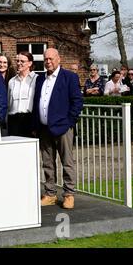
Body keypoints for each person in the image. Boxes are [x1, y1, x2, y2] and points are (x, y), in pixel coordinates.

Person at [33, 48, 83, 210]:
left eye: (51, 59)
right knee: (47, 163)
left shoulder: (69, 77)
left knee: (67, 162)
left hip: (63, 128)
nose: (48, 62)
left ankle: (69, 194)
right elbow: (37, 102)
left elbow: (77, 102)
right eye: (46, 59)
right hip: (44, 128)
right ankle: (50, 194)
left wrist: (69, 122)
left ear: (58, 59)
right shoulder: (40, 79)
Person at [7, 51, 37, 137]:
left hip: (29, 120)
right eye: (17, 61)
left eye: (22, 61)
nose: (19, 63)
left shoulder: (36, 79)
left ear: (30, 63)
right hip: (13, 121)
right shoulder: (12, 81)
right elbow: (9, 102)